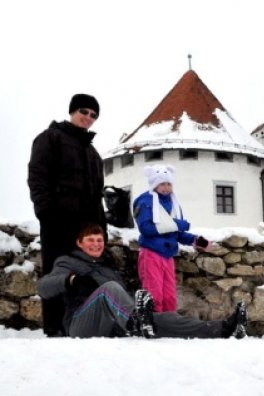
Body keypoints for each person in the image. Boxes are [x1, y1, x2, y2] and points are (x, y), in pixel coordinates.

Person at [37, 223, 247, 339]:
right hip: (81, 324)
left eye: (99, 240)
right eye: (90, 240)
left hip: (116, 324)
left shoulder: (108, 266)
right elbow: (44, 288)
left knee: (166, 318)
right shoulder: (67, 262)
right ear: (79, 243)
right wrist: (72, 279)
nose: (95, 244)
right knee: (109, 289)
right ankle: (137, 320)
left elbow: (121, 298)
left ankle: (223, 329)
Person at [27, 93, 107, 336]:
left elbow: (97, 195)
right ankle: (54, 328)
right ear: (72, 111)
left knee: (85, 274)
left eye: (93, 115)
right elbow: (38, 178)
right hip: (57, 222)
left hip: (87, 228)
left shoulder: (94, 155)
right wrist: (46, 214)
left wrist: (100, 229)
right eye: (84, 111)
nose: (88, 118)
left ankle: (77, 325)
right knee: (57, 273)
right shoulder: (50, 138)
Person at [133, 164, 209, 312]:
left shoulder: (173, 203)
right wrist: (177, 224)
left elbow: (177, 233)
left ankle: (169, 325)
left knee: (169, 296)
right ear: (154, 184)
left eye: (169, 183)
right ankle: (153, 325)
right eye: (162, 183)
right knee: (154, 295)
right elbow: (146, 229)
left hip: (168, 255)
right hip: (151, 253)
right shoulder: (145, 201)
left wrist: (195, 240)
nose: (166, 187)